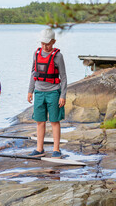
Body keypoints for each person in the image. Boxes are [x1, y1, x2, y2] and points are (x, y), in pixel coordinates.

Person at [27, 28, 67, 159]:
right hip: (39, 92)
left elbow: (64, 77)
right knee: (40, 121)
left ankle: (56, 149)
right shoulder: (36, 53)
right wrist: (30, 91)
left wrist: (62, 95)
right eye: (43, 43)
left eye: (48, 44)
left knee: (55, 121)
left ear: (54, 42)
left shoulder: (58, 56)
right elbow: (33, 73)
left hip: (53, 92)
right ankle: (39, 149)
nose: (45, 46)